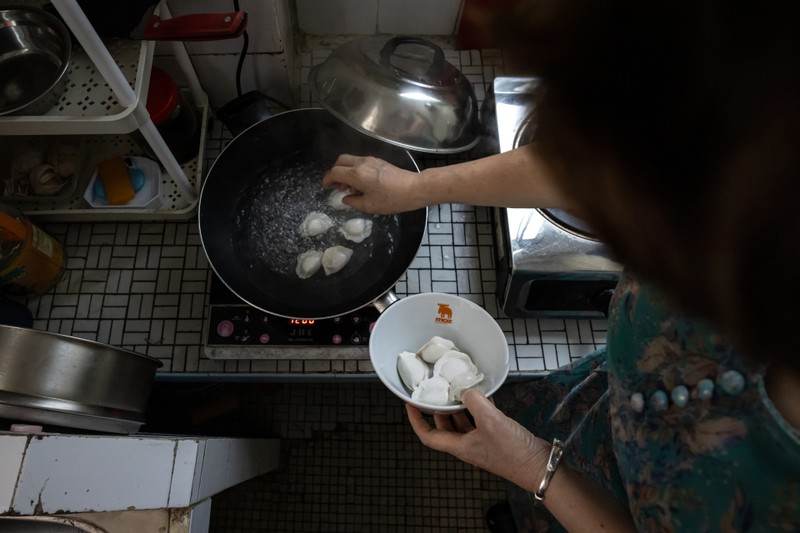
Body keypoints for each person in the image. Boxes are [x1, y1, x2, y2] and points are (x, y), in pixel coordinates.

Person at [322, 0, 800, 530]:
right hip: (601, 403)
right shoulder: (731, 147)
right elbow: (609, 163)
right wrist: (417, 187)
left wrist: (533, 467)